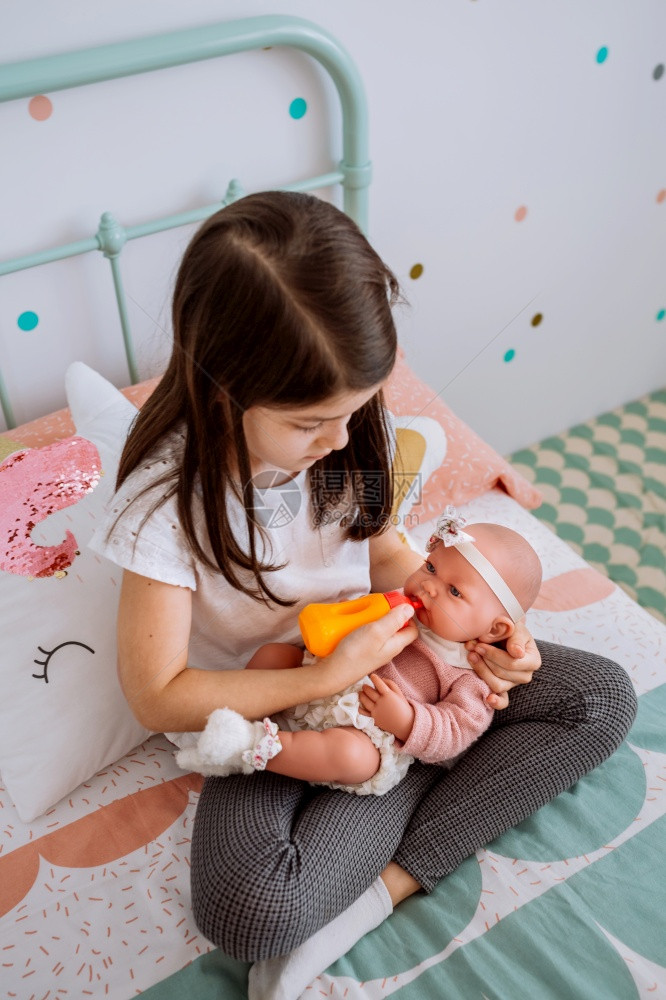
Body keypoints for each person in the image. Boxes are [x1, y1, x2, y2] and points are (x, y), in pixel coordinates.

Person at [90, 191, 637, 1000]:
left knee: (600, 696)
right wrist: (327, 681)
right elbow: (158, 696)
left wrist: (485, 632)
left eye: (355, 410)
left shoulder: (344, 444)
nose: (341, 439)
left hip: (399, 680)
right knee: (247, 912)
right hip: (276, 713)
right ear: (223, 393)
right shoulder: (164, 511)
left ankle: (390, 875)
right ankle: (432, 765)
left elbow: (385, 555)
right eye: (313, 422)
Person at [176, 513, 544, 797]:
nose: (428, 586)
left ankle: (253, 744)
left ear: (496, 629)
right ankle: (218, 724)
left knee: (352, 757)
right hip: (310, 684)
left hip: (368, 728)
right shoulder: (402, 603)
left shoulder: (472, 673)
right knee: (273, 655)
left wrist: (405, 720)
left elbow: (455, 731)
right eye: (430, 566)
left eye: (454, 591)